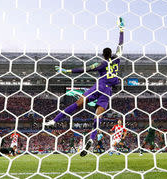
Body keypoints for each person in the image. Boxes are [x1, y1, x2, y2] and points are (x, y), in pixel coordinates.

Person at [44, 17, 125, 157]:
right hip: (108, 91)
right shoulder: (117, 59)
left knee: (78, 103)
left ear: (103, 55)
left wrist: (66, 71)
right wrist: (122, 29)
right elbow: (121, 44)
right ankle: (92, 140)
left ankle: (54, 120)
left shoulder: (101, 64)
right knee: (98, 116)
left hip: (99, 85)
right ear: (111, 54)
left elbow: (84, 69)